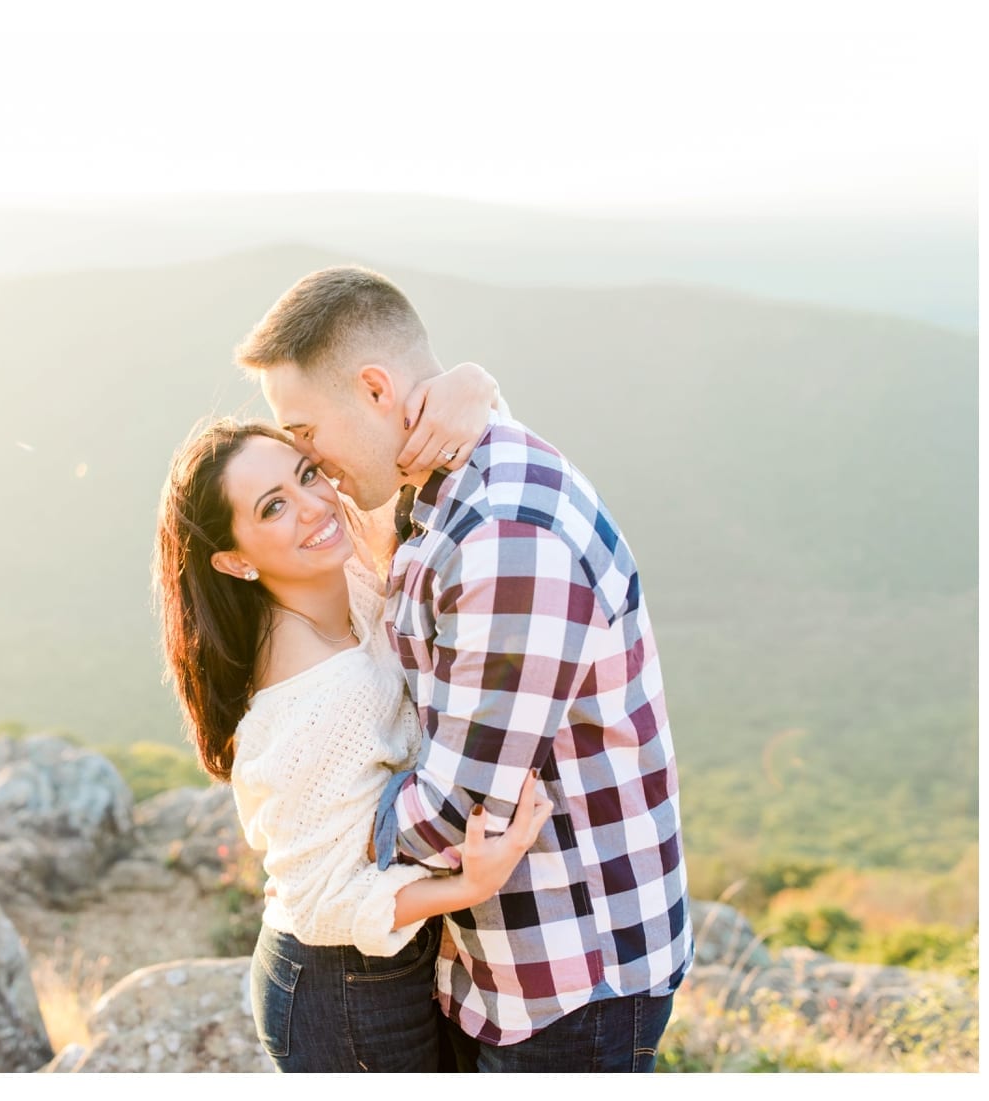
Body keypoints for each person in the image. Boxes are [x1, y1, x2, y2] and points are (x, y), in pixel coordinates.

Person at [234, 265, 694, 1073]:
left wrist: (332, 838)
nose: (309, 463)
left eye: (305, 434)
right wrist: (476, 387)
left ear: (375, 388)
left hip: (570, 979)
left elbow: (462, 811)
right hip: (498, 961)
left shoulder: (507, 542)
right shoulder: (434, 478)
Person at [153, 406, 555, 1073]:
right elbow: (318, 901)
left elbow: (401, 459)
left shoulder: (345, 575)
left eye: (309, 474)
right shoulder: (316, 695)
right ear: (234, 559)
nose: (315, 505)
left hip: (371, 971)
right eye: (274, 507)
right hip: (340, 988)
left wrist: (474, 388)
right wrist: (467, 884)